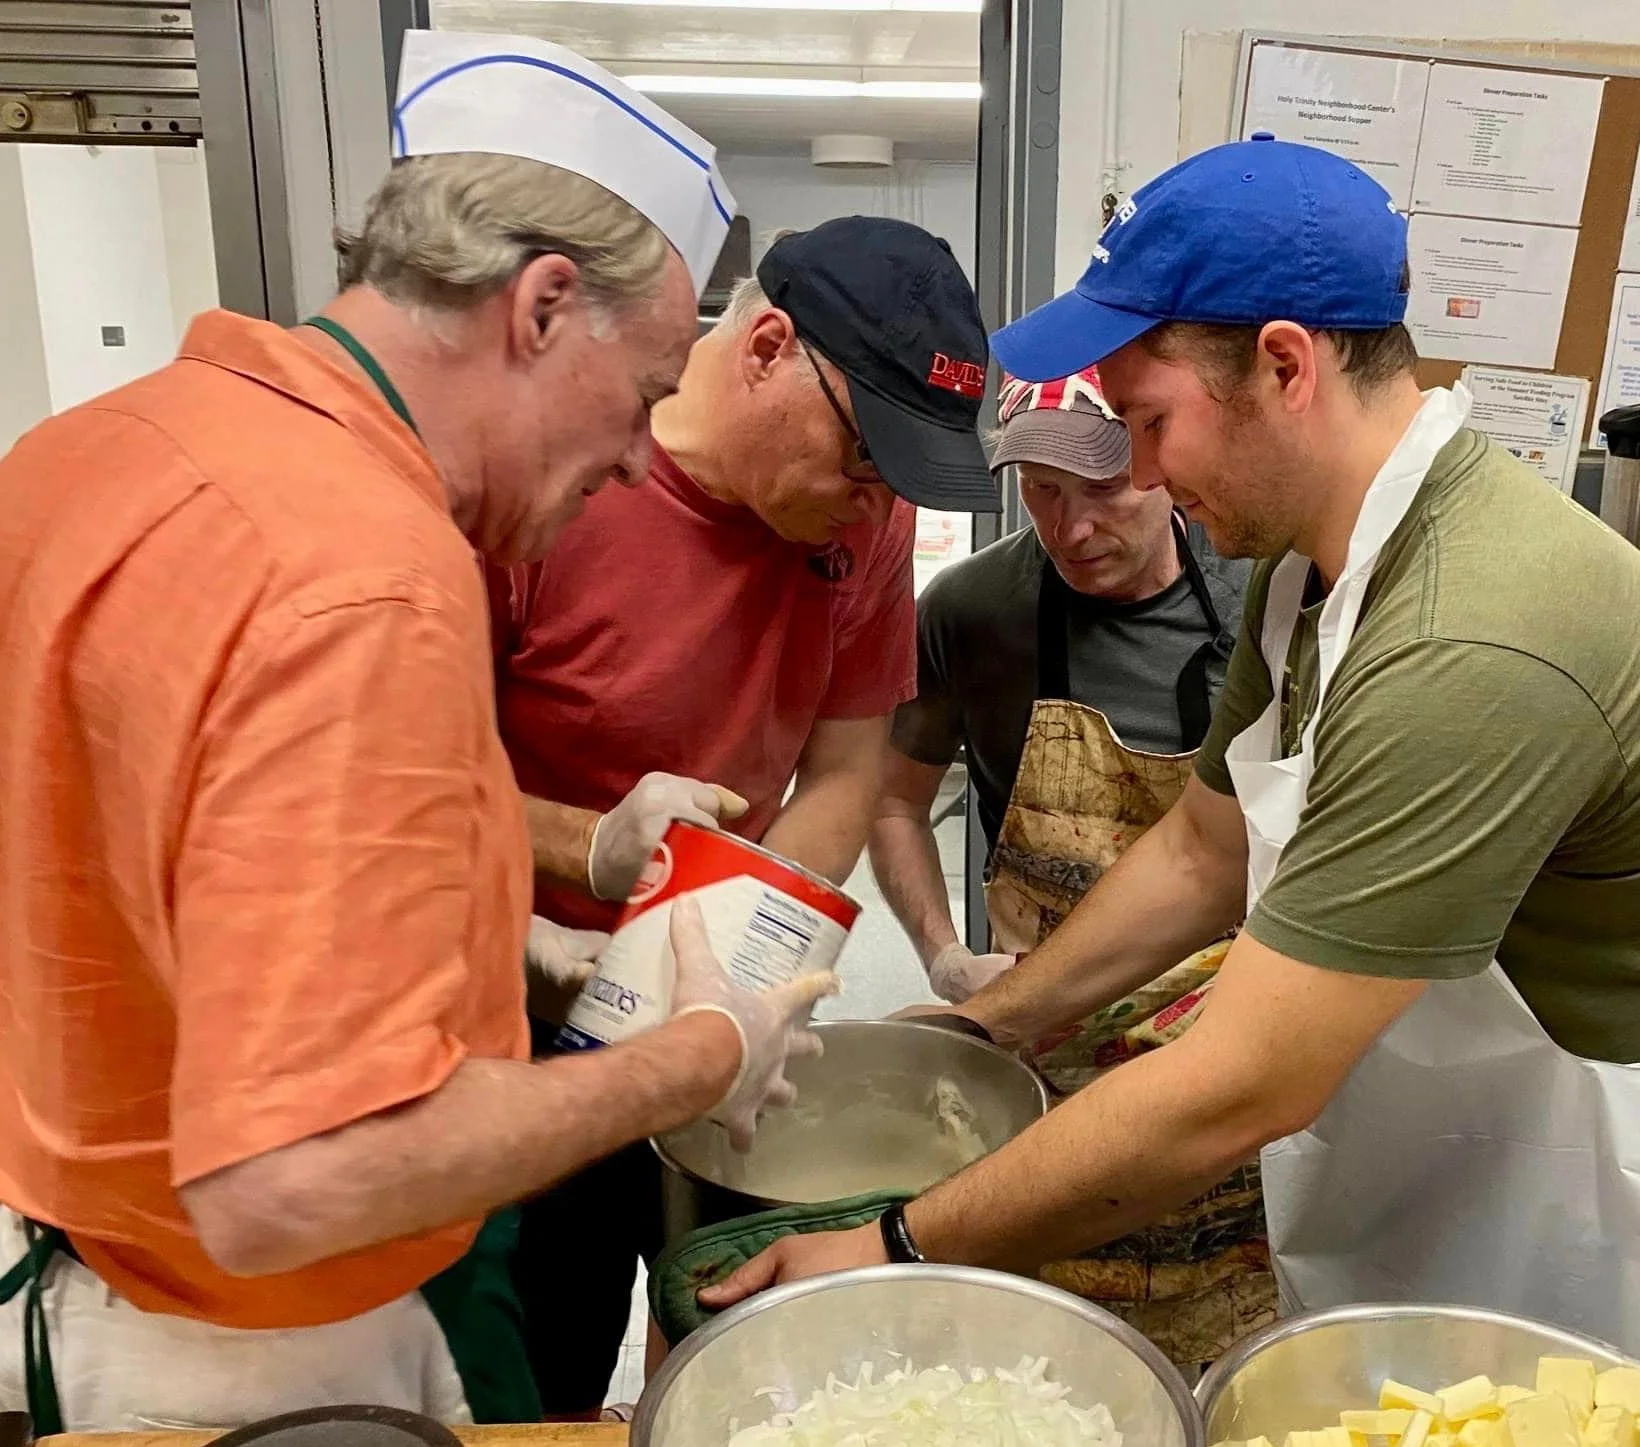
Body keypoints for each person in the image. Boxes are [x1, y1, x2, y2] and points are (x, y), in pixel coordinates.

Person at [0, 31, 831, 1432]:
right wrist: (696, 1049)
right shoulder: (372, 575)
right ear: (543, 306)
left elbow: (188, 857)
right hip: (269, 1342)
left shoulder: (99, 449)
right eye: (639, 395)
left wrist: (517, 919)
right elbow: (292, 1177)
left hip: (80, 1265)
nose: (640, 456)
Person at [701, 134, 1640, 1354]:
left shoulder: (1468, 640)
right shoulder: (1308, 568)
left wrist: (892, 1248)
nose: (1130, 471)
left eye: (1148, 420)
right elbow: (1204, 849)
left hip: (1569, 1178)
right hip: (1426, 1131)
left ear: (1283, 367)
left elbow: (1241, 1080)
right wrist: (997, 1021)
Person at [488, 214, 1000, 1416]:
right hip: (518, 1010)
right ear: (767, 347)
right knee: (543, 1352)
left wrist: (715, 964)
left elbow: (839, 776)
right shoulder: (555, 484)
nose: (877, 509)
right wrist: (593, 880)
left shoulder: (856, 534)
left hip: (713, 1009)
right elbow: (408, 786)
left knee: (718, 1332)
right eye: (863, 461)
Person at [869, 364, 1260, 1367]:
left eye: (1101, 489)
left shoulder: (1265, 603)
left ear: (1160, 467)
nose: (1072, 526)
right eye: (1042, 491)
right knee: (1041, 1358)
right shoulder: (969, 611)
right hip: (1036, 1047)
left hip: (1223, 1057)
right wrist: (944, 960)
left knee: (1219, 1346)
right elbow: (891, 801)